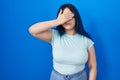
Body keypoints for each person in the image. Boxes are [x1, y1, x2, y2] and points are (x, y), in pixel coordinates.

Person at [28, 4, 97, 80]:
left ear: (76, 18)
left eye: (70, 16)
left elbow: (92, 66)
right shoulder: (54, 35)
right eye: (64, 17)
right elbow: (32, 30)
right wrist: (57, 21)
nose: (67, 20)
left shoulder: (86, 40)